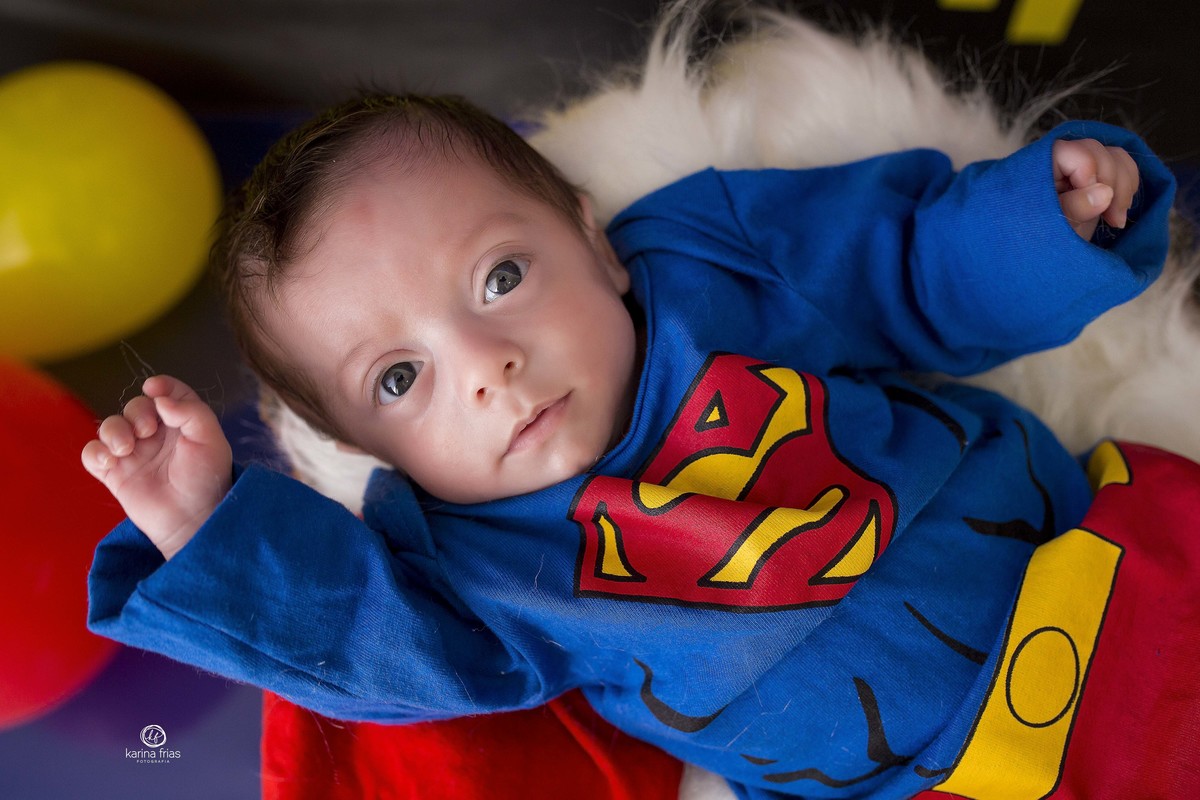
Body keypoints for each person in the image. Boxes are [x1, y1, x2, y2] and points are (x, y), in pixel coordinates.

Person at [83, 94, 1180, 798]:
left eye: (500, 278)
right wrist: (202, 527)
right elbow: (356, 641)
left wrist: (1037, 224)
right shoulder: (461, 569)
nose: (485, 364)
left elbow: (896, 265)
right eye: (401, 379)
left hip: (1092, 568)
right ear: (366, 449)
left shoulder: (710, 271)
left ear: (593, 236)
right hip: (940, 781)